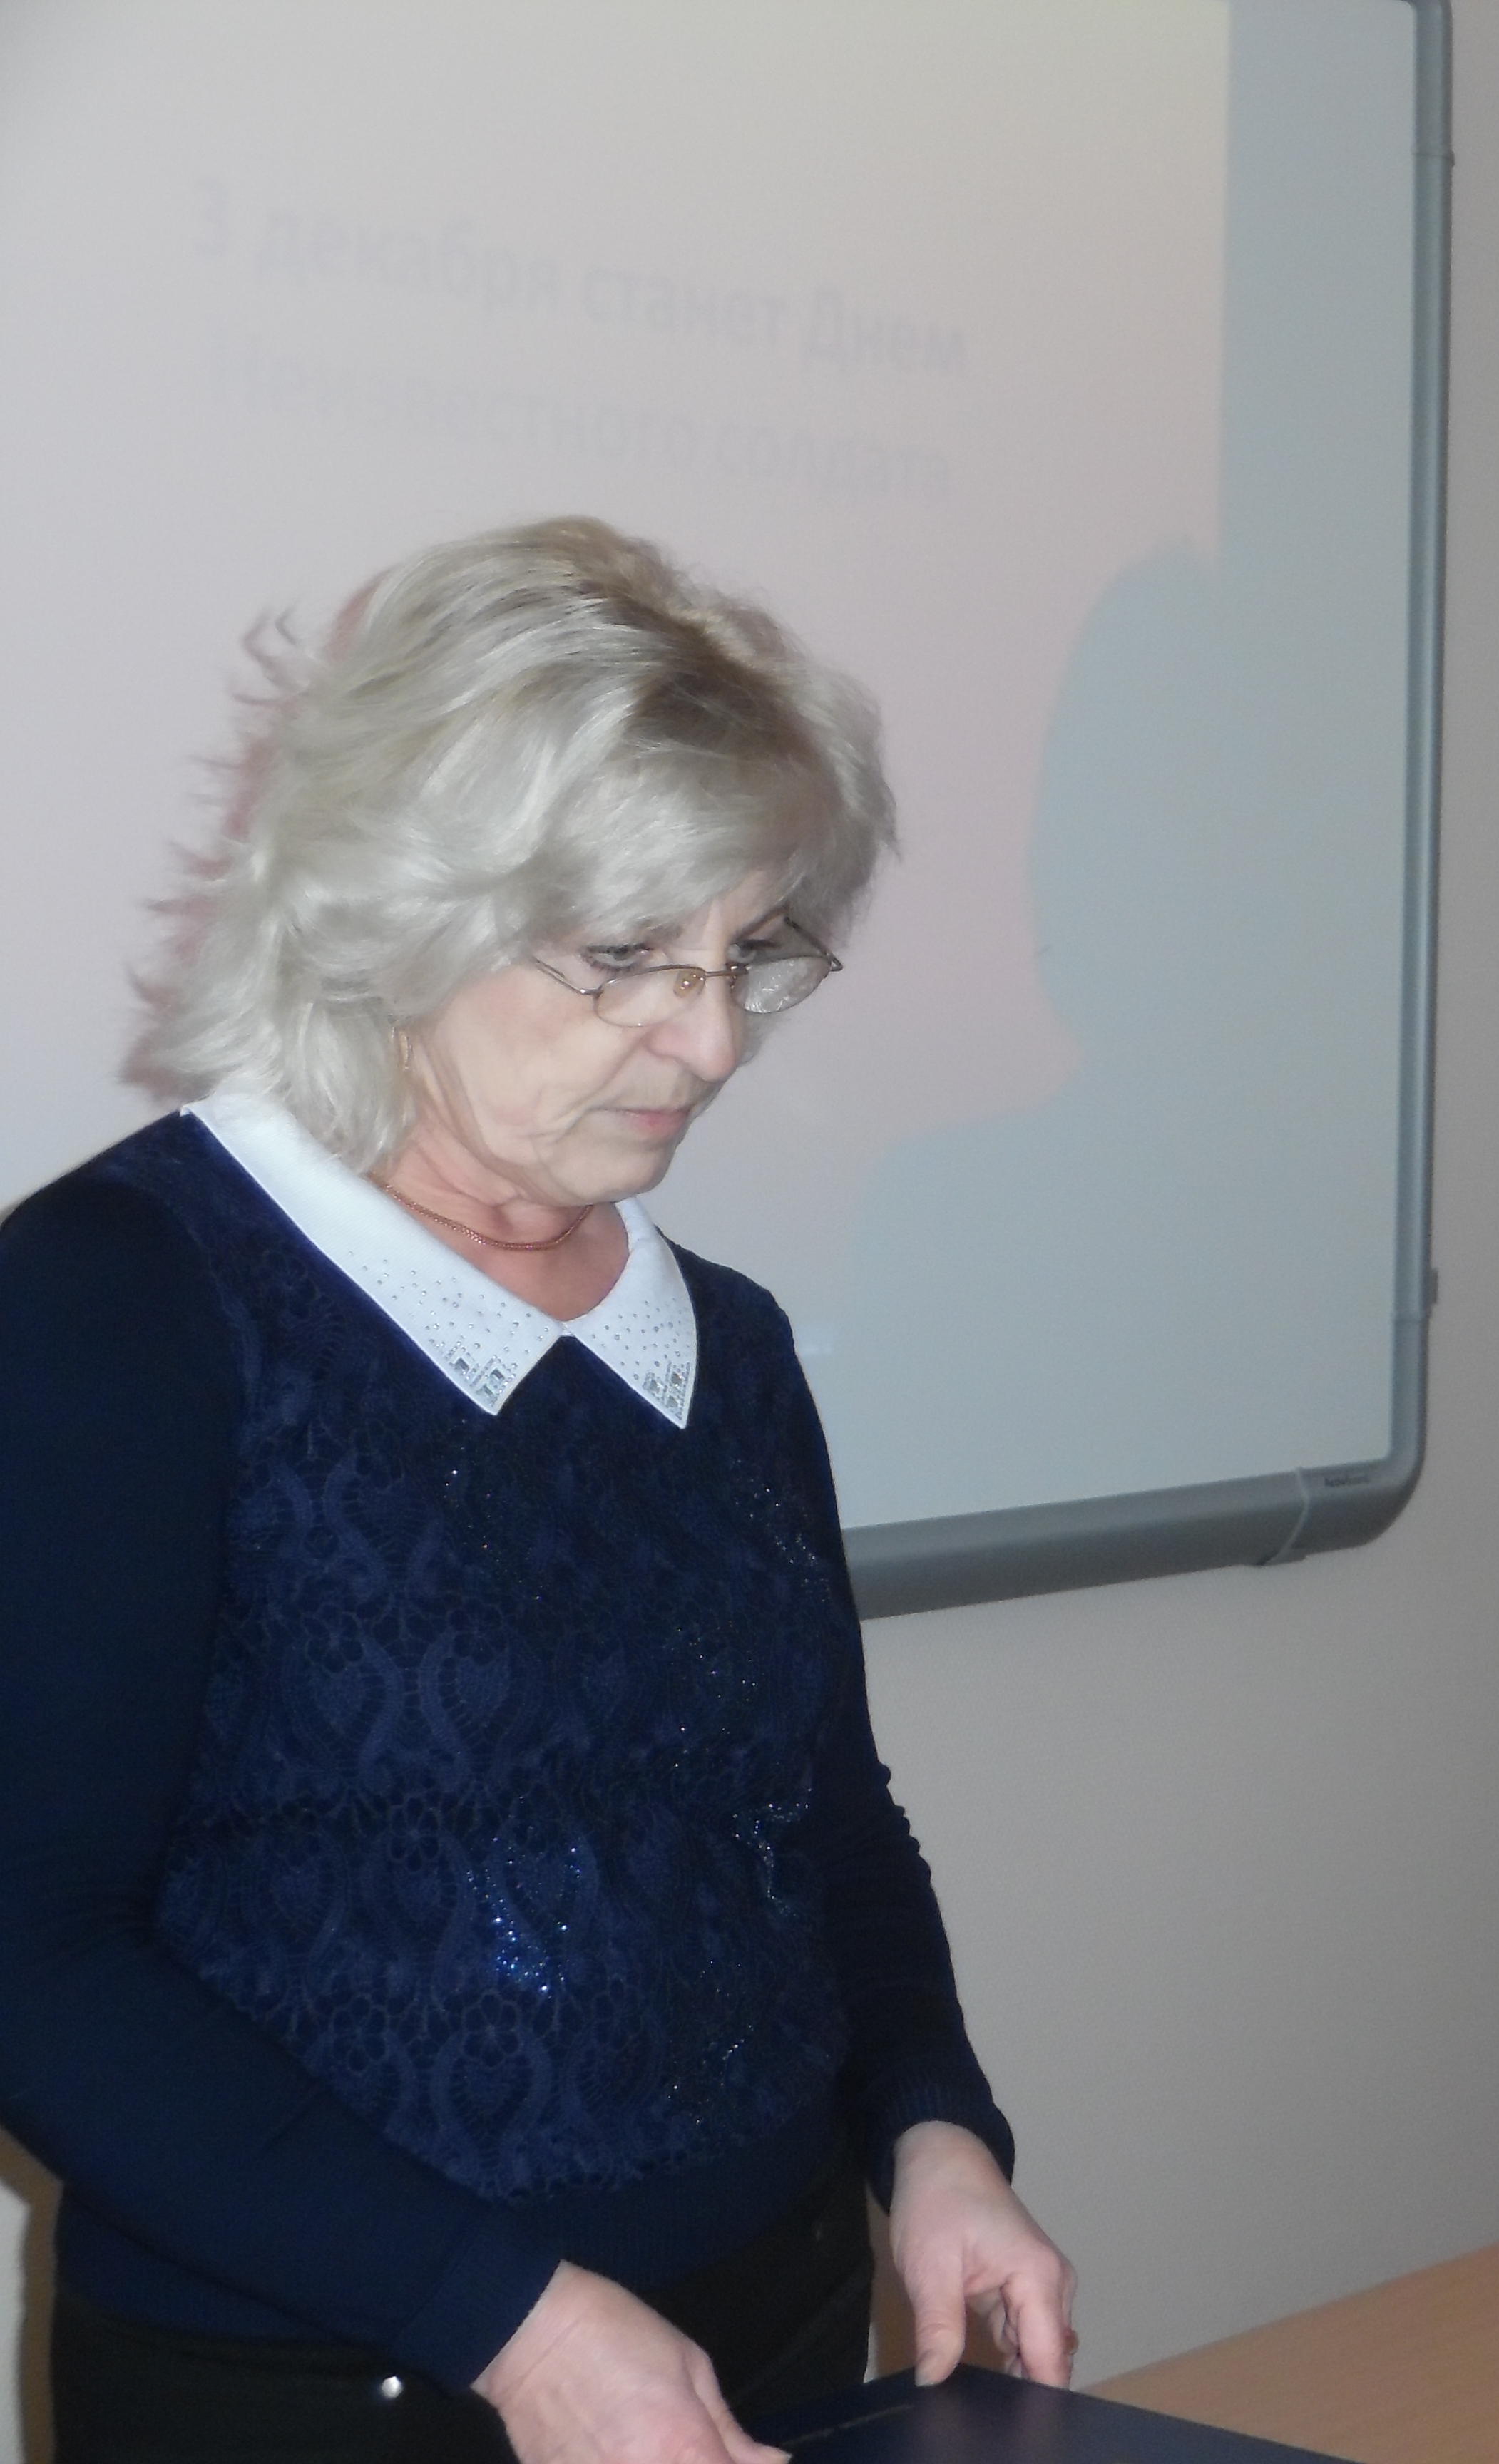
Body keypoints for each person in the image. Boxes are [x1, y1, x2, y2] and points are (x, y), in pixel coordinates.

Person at [0, 520, 1074, 2462]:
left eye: (747, 951)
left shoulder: (725, 1339)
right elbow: (35, 1958)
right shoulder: (125, 1300)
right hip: (329, 2381)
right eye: (626, 961)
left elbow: (826, 1825)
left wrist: (934, 2132)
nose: (711, 1038)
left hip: (770, 2318)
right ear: (399, 911)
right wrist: (508, 2316)